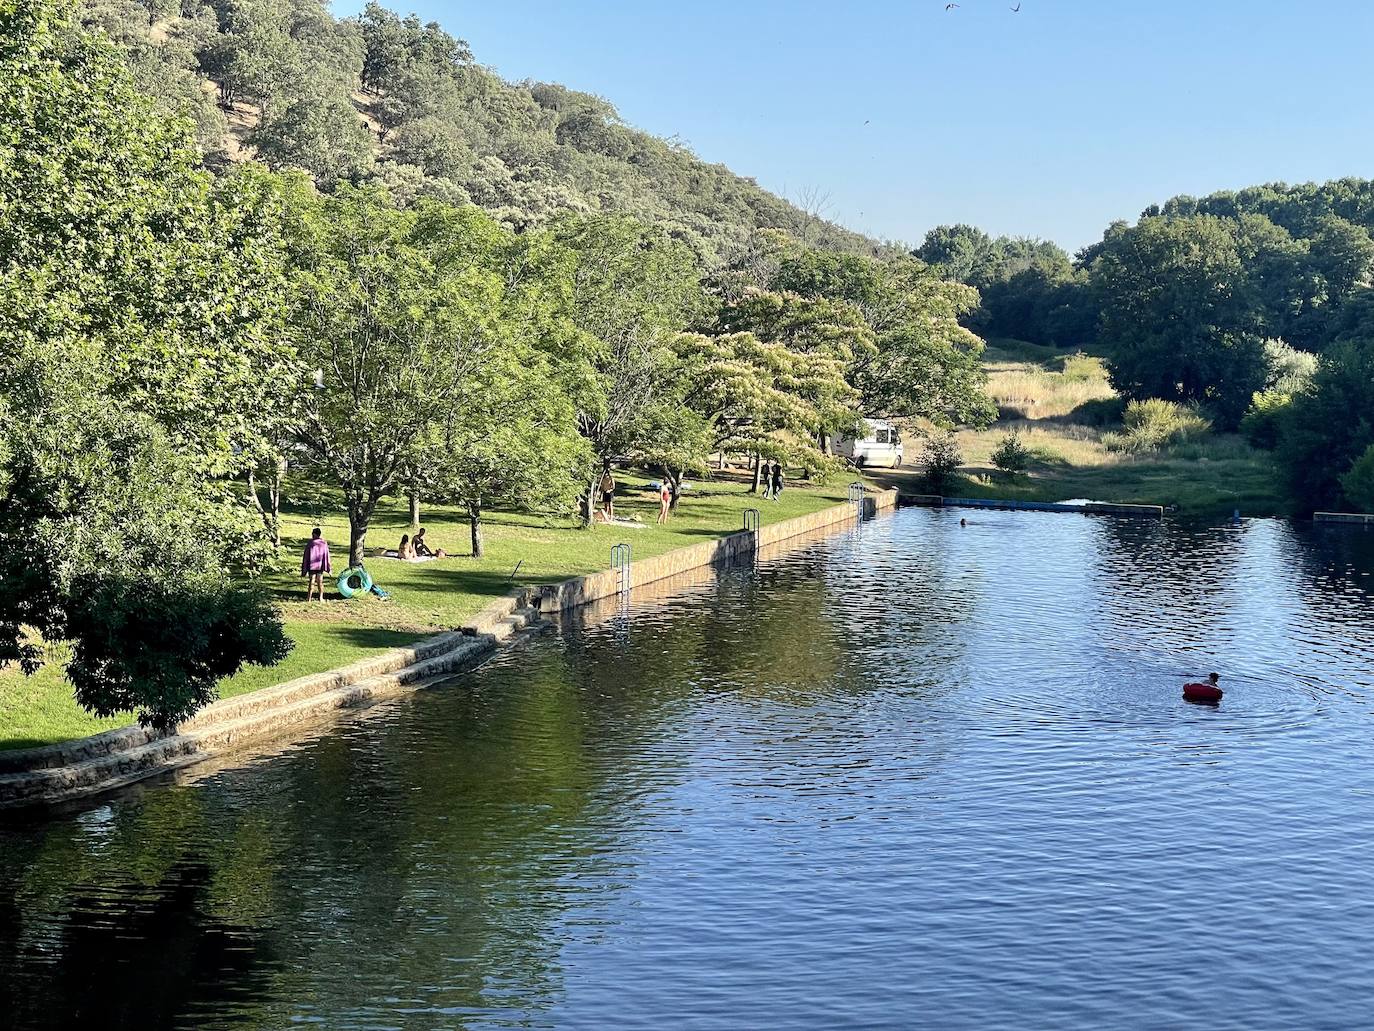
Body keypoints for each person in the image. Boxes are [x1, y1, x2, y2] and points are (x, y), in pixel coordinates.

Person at [301, 527, 331, 602]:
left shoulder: (311, 543)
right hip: (319, 566)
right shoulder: (323, 542)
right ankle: (319, 597)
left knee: (313, 581)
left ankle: (310, 598)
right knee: (319, 582)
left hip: (313, 566)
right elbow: (327, 555)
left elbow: (306, 556)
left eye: (313, 534)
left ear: (315, 534)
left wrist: (305, 567)